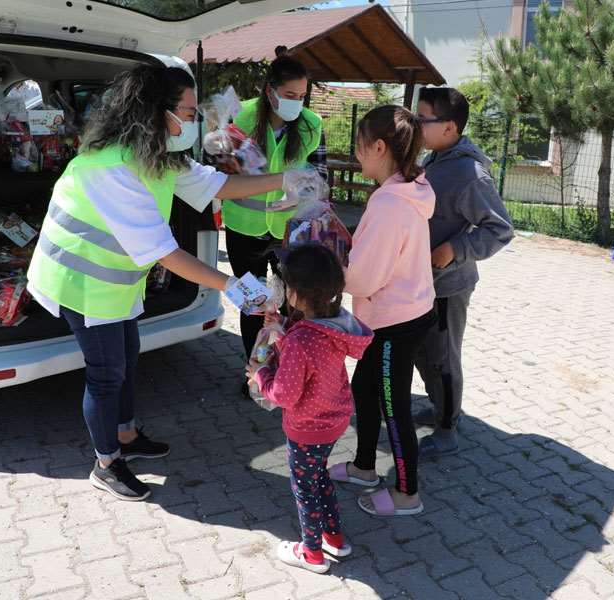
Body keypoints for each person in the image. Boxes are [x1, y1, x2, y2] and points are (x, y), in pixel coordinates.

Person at [27, 65, 307, 502]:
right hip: (81, 282)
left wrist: (286, 178)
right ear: (155, 111)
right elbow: (167, 254)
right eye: (189, 112)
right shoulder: (110, 169)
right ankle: (106, 463)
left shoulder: (156, 156)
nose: (195, 122)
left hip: (116, 281)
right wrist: (239, 289)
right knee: (106, 374)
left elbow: (219, 184)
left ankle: (126, 434)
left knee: (128, 357)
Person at [329, 106, 437, 517]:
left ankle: (408, 494)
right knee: (365, 390)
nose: (356, 155)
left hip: (396, 322)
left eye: (358, 147)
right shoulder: (405, 192)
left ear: (378, 146)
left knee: (394, 407)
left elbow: (363, 280)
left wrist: (334, 264)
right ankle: (363, 467)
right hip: (391, 316)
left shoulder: (390, 203)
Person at [247, 244, 372, 573]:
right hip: (334, 419)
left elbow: (285, 395)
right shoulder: (332, 325)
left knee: (305, 486)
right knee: (319, 478)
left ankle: (312, 552)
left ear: (295, 293)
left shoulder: (302, 339)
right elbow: (306, 345)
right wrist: (282, 328)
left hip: (307, 427)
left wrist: (261, 375)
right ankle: (334, 537)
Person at [414, 87, 514, 457]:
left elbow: (500, 229)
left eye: (423, 118)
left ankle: (447, 429)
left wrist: (455, 249)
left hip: (448, 286)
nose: (416, 124)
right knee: (424, 354)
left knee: (442, 356)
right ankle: (441, 408)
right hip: (425, 283)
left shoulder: (471, 173)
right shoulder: (436, 159)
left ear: (450, 127)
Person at [222, 49, 326, 397]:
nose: (296, 103)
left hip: (289, 228)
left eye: (301, 96)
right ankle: (255, 373)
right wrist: (222, 153)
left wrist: (305, 192)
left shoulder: (312, 124)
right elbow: (222, 170)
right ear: (270, 91)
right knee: (252, 302)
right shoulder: (242, 117)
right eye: (289, 95)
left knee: (290, 304)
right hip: (244, 227)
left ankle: (286, 373)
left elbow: (320, 173)